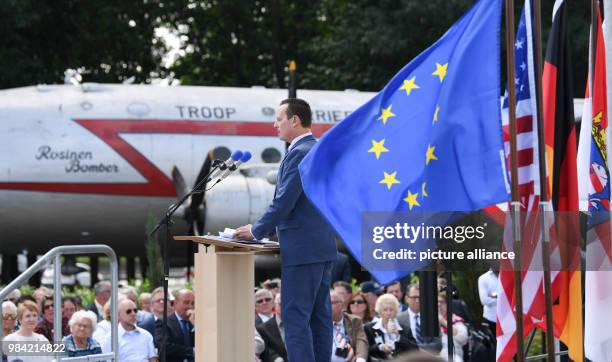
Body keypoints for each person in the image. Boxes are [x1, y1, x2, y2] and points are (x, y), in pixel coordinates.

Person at [234, 98, 338, 362]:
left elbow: (284, 202)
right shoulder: (316, 149)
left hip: (303, 250)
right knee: (319, 319)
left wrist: (256, 230)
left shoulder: (300, 153)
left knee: (295, 318)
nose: (274, 125)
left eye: (279, 119)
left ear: (295, 120)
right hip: (321, 247)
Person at [364, 294, 418, 360]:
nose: (388, 313)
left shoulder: (405, 329)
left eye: (391, 310)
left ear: (396, 311)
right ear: (380, 311)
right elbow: (365, 349)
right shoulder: (369, 328)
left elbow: (415, 350)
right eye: (385, 310)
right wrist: (379, 347)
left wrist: (398, 336)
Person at [397, 284, 441, 354]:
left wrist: (414, 348)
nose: (417, 300)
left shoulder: (431, 317)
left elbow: (437, 345)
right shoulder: (399, 319)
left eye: (420, 297)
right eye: (414, 297)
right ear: (407, 299)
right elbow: (398, 344)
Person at [154, 288, 195, 361]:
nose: (190, 306)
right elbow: (164, 347)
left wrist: (195, 325)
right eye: (186, 302)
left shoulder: (195, 322)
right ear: (175, 303)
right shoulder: (163, 322)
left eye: (192, 303)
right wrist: (191, 351)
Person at [330, 290, 368, 362]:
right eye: (325, 303)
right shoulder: (319, 323)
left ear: (341, 304)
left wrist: (361, 360)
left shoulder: (354, 321)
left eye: (331, 303)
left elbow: (361, 341)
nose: (327, 305)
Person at [437, 292, 468, 362]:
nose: (439, 305)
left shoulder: (456, 319)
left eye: (442, 302)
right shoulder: (428, 321)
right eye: (437, 302)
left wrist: (443, 321)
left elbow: (463, 338)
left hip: (453, 356)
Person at [257, 293, 288, 362]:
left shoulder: (299, 324)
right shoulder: (263, 328)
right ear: (275, 305)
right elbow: (265, 349)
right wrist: (275, 358)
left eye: (287, 303)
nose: (284, 306)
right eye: (280, 303)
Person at [478, 265, 498, 336]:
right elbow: (484, 300)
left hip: (508, 319)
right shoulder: (483, 278)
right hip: (491, 320)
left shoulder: (509, 276)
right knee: (494, 346)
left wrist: (494, 295)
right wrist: (502, 298)